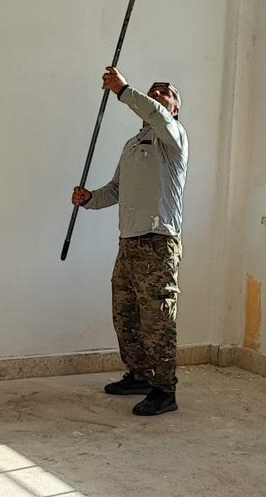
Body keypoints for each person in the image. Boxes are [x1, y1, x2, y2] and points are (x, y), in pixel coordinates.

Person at [71, 67, 187, 418]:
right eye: (153, 91)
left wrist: (123, 90)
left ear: (175, 108)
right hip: (129, 242)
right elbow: (116, 190)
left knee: (157, 319)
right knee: (126, 314)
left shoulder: (173, 136)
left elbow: (156, 114)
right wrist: (90, 199)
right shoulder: (132, 146)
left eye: (165, 93)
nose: (157, 95)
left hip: (158, 243)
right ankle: (139, 375)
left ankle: (164, 390)